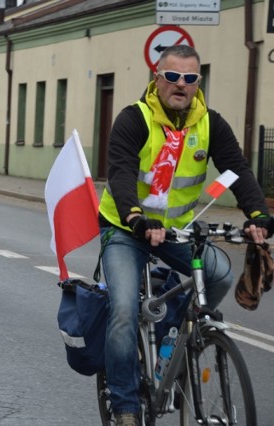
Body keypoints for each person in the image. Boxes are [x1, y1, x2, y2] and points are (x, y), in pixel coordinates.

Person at [97, 44, 273, 426]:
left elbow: (237, 170)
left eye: (190, 78)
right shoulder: (135, 119)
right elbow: (122, 172)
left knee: (220, 274)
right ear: (157, 77)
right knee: (125, 312)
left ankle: (170, 340)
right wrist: (136, 216)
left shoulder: (210, 123)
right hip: (126, 228)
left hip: (176, 231)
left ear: (198, 83)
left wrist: (258, 212)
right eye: (173, 76)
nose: (181, 84)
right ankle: (126, 407)